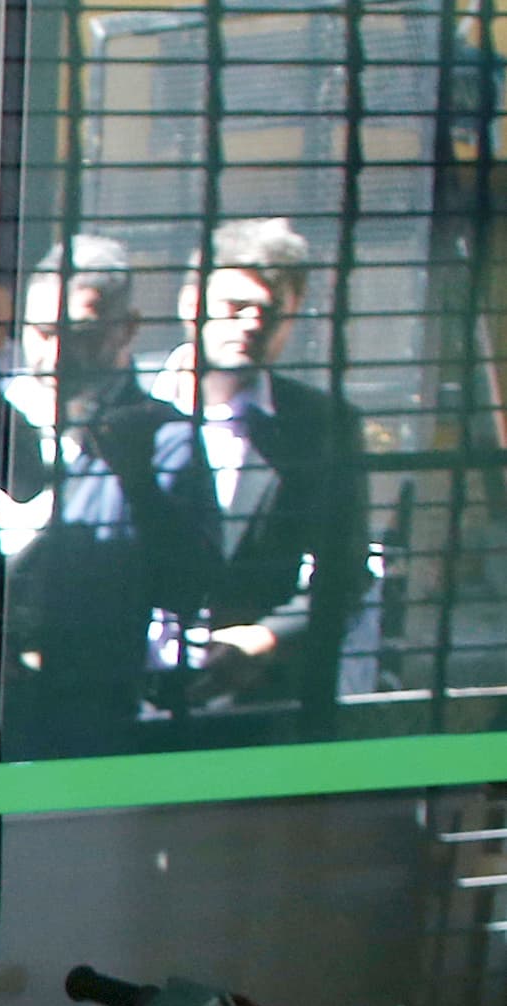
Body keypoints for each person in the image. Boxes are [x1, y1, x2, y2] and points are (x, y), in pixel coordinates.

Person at [0, 236, 219, 759]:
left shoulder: (164, 438)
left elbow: (189, 584)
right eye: (42, 332)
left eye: (81, 335)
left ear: (129, 329)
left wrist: (137, 480)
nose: (54, 355)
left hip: (84, 726)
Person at [147, 217, 371, 731]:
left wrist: (264, 640)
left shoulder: (320, 427)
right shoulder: (124, 403)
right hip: (111, 700)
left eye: (270, 313)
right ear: (191, 305)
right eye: (234, 308)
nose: (251, 324)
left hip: (248, 710)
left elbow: (345, 572)